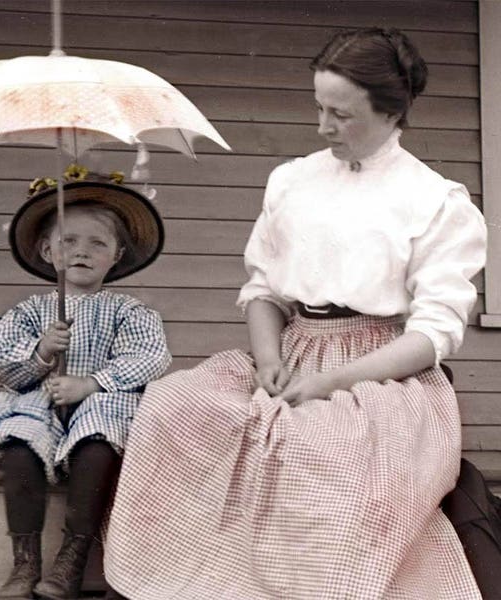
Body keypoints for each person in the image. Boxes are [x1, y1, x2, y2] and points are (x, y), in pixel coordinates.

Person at [102, 28, 487, 599]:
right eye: (319, 107)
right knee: (174, 405)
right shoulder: (293, 180)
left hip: (382, 371)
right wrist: (266, 359)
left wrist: (333, 381)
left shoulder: (437, 201)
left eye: (342, 114)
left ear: (391, 113)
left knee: (319, 452)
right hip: (292, 349)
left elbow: (432, 334)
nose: (323, 127)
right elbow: (265, 291)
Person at [0, 167, 171, 600]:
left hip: (100, 406)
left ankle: (71, 560)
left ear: (117, 255)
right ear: (47, 250)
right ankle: (25, 562)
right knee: (20, 439)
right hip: (43, 407)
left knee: (100, 438)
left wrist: (91, 384)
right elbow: (10, 371)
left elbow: (148, 359)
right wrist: (41, 353)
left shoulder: (129, 310)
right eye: (68, 241)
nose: (82, 252)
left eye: (98, 243)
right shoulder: (32, 311)